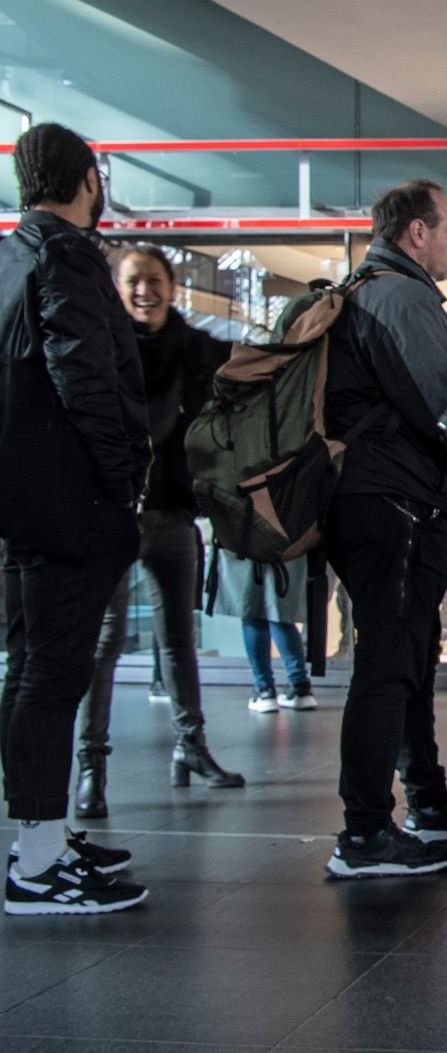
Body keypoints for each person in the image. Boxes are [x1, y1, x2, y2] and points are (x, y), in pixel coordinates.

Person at [1, 123, 149, 914]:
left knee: (31, 669)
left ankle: (45, 835)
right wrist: (122, 473)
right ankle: (35, 860)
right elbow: (84, 372)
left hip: (25, 503)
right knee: (53, 674)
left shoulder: (14, 252)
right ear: (89, 179)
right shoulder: (65, 256)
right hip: (70, 503)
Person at [322, 179, 447, 878]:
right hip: (395, 501)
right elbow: (444, 409)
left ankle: (427, 799)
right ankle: (364, 831)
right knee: (388, 660)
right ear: (417, 232)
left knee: (407, 654)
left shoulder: (364, 286)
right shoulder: (403, 296)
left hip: (365, 497)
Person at [76, 246, 243, 818]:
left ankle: (191, 746)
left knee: (178, 638)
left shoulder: (198, 350)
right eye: (132, 281)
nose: (143, 290)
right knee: (105, 643)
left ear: (171, 286)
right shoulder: (100, 350)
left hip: (171, 512)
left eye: (153, 279)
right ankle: (90, 767)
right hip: (114, 513)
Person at [214, 549, 313, 714]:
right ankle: (299, 685)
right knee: (280, 615)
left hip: (246, 545)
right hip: (287, 546)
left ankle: (264, 690)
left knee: (253, 615)